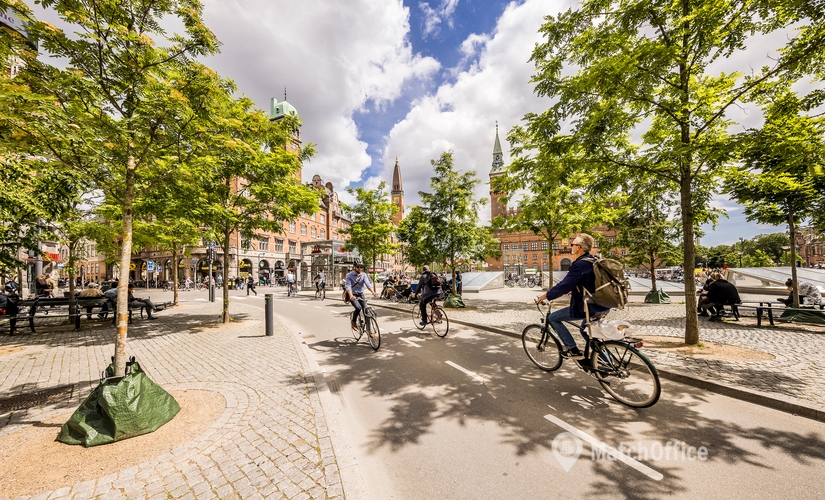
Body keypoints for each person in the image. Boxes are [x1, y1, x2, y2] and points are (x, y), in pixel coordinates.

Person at [535, 233, 610, 359]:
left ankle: (573, 350)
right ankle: (605, 364)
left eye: (573, 244)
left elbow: (564, 285)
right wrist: (575, 290)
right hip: (604, 304)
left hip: (589, 307)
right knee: (585, 331)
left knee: (553, 318)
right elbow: (589, 283)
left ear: (579, 247)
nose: (571, 246)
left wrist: (546, 295)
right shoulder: (594, 260)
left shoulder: (580, 264)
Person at [344, 261, 377, 331]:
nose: (360, 268)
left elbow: (368, 284)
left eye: (361, 267)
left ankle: (369, 331)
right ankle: (353, 321)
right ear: (354, 267)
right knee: (358, 308)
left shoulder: (364, 275)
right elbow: (348, 286)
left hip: (361, 294)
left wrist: (373, 292)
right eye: (358, 267)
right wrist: (351, 296)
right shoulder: (349, 275)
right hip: (353, 295)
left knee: (366, 311)